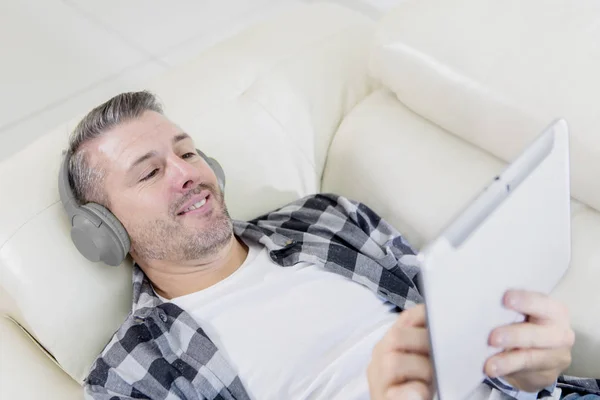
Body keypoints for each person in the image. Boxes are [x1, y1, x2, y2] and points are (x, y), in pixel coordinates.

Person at [64, 91, 598, 400]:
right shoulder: (132, 373)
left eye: (188, 152)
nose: (187, 173)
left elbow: (456, 320)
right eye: (150, 172)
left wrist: (528, 368)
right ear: (104, 230)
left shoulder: (325, 218)